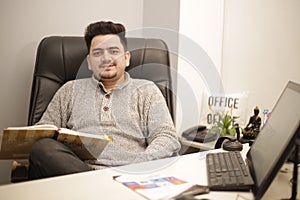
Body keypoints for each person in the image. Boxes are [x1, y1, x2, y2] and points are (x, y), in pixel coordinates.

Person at [28, 21, 181, 179]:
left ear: (126, 58)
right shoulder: (69, 90)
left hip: (130, 175)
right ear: (89, 62)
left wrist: (138, 165)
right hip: (78, 175)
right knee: (42, 147)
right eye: (97, 53)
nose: (106, 58)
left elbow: (166, 137)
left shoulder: (146, 90)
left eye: (113, 51)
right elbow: (42, 133)